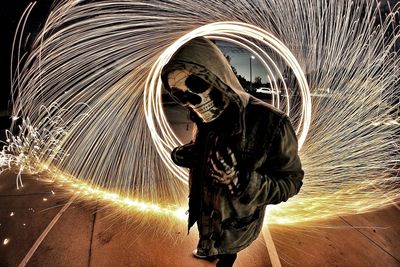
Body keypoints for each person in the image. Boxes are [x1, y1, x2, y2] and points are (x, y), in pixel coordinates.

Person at [161, 37, 304, 267]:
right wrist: (182, 155)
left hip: (234, 227)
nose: (191, 101)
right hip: (205, 216)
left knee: (227, 255)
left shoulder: (272, 123)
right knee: (209, 243)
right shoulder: (202, 117)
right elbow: (199, 152)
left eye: (196, 85)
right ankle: (208, 248)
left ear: (218, 77)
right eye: (181, 95)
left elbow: (291, 181)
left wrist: (242, 181)